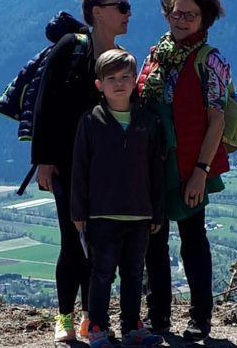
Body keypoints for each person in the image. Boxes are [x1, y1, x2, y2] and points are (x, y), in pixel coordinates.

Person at [31, 0, 132, 342]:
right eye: (121, 7)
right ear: (97, 12)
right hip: (67, 165)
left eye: (128, 7)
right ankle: (63, 318)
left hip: (103, 170)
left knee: (99, 244)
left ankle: (91, 318)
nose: (127, 14)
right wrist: (43, 158)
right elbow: (46, 104)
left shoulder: (117, 60)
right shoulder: (70, 47)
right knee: (71, 241)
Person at [138, 0, 232, 342]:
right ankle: (158, 317)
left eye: (189, 15)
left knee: (193, 240)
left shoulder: (211, 62)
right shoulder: (156, 55)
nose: (180, 20)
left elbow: (217, 120)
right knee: (153, 241)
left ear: (204, 21)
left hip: (191, 166)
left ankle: (200, 318)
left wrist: (200, 173)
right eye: (176, 13)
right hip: (155, 167)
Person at [71, 49, 165, 348]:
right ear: (99, 85)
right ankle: (97, 327)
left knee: (134, 274)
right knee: (102, 274)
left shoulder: (147, 121)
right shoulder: (90, 121)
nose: (119, 83)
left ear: (136, 80)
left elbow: (156, 169)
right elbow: (79, 168)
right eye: (111, 78)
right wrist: (78, 210)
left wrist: (157, 212)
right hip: (102, 214)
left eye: (126, 76)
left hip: (139, 214)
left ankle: (131, 328)